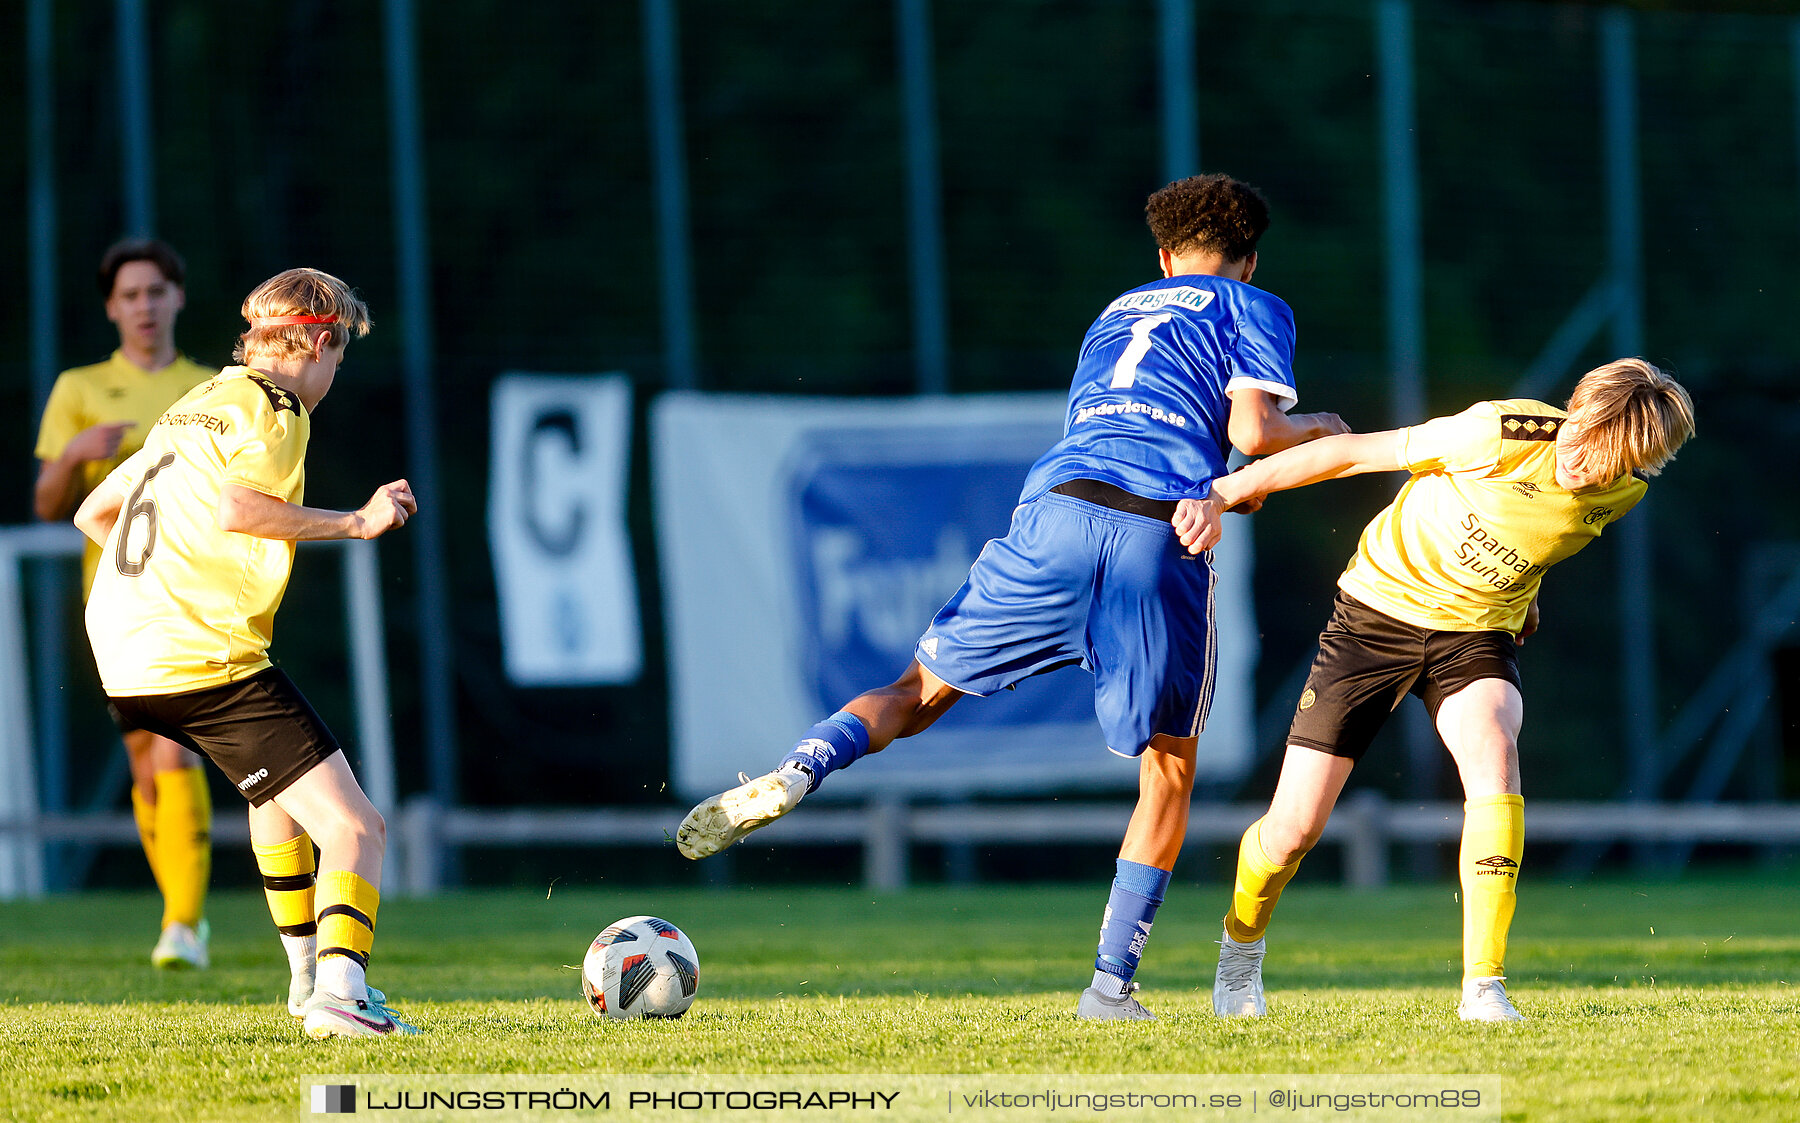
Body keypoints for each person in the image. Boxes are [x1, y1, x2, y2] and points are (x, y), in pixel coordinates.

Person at [675, 173, 1348, 1019]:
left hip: (1055, 512)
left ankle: (800, 768)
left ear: (1165, 256)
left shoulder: (1115, 313)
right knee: (1168, 774)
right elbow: (1253, 441)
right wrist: (1321, 431)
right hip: (1155, 534)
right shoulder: (1254, 307)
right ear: (1248, 262)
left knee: (913, 693)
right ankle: (1111, 987)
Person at [1178, 358, 1695, 1022]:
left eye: (1611, 462)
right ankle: (1240, 952)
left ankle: (1484, 985)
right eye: (1583, 443)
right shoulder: (1494, 433)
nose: (1585, 468)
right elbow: (1349, 454)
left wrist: (1524, 595)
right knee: (1293, 829)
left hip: (1474, 635)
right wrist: (1225, 490)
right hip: (1376, 614)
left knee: (1495, 754)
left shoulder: (1624, 492)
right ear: (1576, 409)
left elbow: (1536, 538)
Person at [74, 267, 421, 1039]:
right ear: (323, 338)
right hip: (199, 656)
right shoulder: (276, 405)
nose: (336, 370)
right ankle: (341, 993)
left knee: (276, 796)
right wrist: (358, 521)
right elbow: (237, 508)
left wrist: (169, 587)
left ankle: (305, 980)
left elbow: (94, 510)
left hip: (126, 655)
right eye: (341, 352)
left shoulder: (195, 404)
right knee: (357, 828)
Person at [34, 239, 216, 969]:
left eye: (156, 291)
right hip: (112, 604)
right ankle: (182, 914)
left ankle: (183, 922)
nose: (144, 305)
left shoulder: (210, 389)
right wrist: (77, 452)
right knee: (145, 758)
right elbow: (48, 505)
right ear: (112, 307)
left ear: (177, 298)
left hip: (193, 595)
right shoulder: (80, 386)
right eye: (130, 294)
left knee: (174, 748)